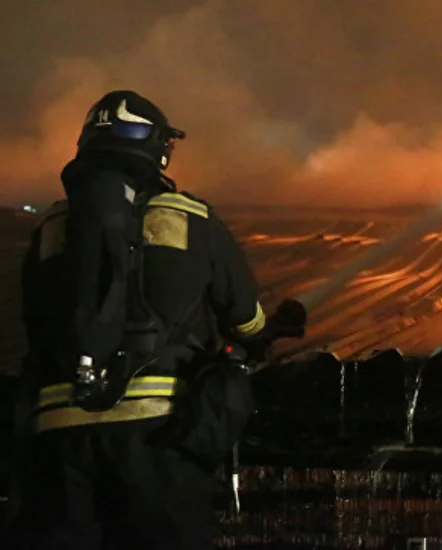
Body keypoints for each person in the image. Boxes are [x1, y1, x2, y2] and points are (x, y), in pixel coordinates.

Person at [4, 90, 297, 549]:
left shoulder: (50, 230)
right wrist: (264, 334)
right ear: (155, 147)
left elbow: (35, 323)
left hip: (57, 440)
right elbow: (243, 315)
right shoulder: (190, 218)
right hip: (158, 436)